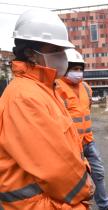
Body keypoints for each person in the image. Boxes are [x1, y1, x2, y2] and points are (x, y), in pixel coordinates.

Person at [0, 9, 94, 209]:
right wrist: (85, 188)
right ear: (30, 54)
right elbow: (56, 168)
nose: (62, 56)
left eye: (62, 50)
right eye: (55, 50)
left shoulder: (44, 89)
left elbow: (64, 146)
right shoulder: (24, 97)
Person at [55, 49, 108, 210]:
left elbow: (85, 111)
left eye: (80, 69)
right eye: (74, 69)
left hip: (88, 141)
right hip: (70, 146)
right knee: (74, 181)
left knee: (98, 174)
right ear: (66, 68)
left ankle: (105, 205)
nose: (78, 73)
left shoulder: (86, 88)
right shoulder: (56, 88)